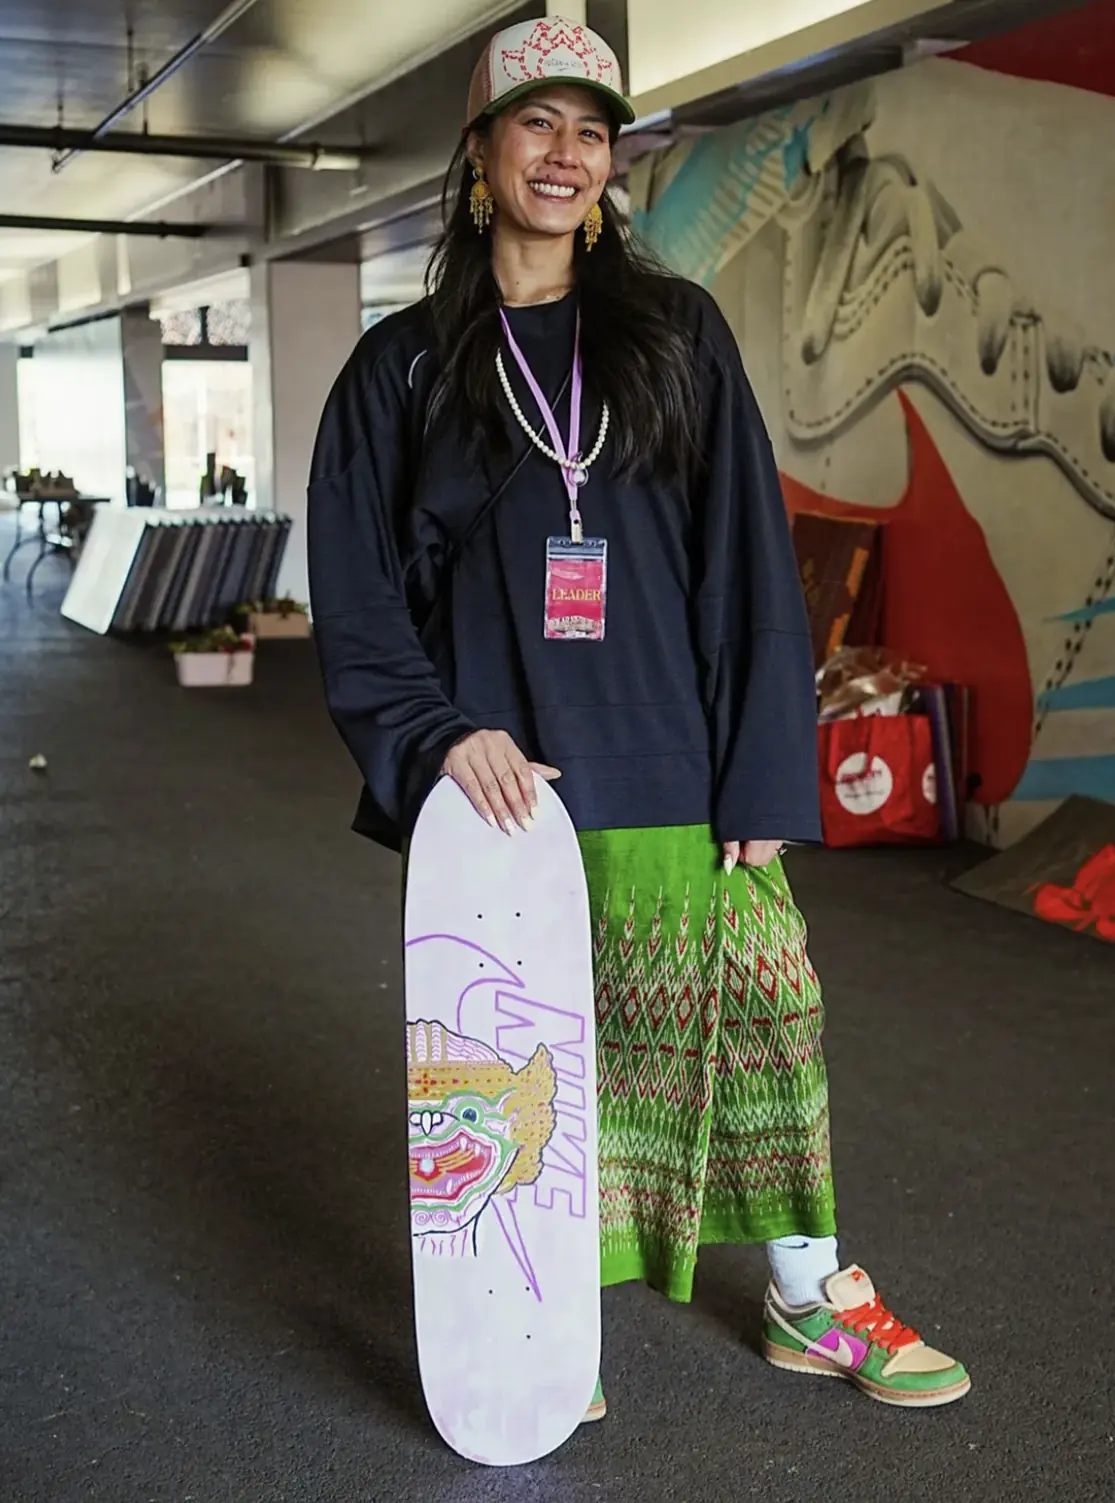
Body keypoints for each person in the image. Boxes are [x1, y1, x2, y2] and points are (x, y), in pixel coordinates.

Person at [307, 14, 970, 1417]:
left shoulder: (675, 336)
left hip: (674, 759)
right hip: (505, 792)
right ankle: (549, 1337)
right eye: (536, 124)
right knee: (532, 1066)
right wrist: (438, 738)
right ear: (480, 152)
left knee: (771, 1020)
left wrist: (764, 777)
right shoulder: (402, 369)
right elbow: (358, 600)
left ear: (611, 166)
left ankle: (809, 1298)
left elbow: (746, 561)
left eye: (592, 133)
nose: (565, 155)